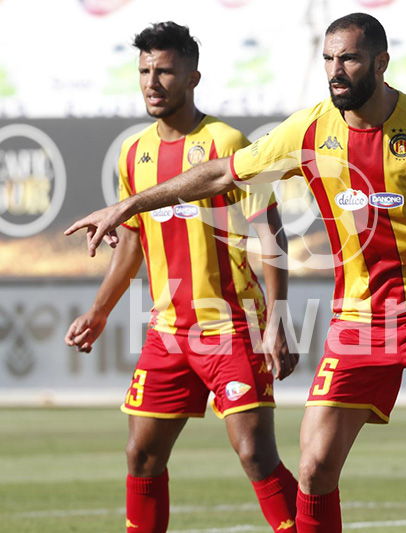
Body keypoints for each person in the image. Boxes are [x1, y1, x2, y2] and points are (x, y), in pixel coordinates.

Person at [65, 13, 406, 533]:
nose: (336, 71)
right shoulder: (309, 128)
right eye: (329, 60)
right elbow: (226, 172)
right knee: (313, 468)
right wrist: (129, 205)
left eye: (350, 59)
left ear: (381, 63)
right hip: (358, 319)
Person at [64, 22, 299, 533]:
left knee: (255, 455)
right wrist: (100, 311)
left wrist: (278, 320)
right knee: (141, 457)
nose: (152, 81)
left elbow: (270, 234)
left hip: (232, 326)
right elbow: (131, 243)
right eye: (145, 70)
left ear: (193, 76)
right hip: (168, 331)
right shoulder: (133, 154)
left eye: (165, 71)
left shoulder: (225, 141)